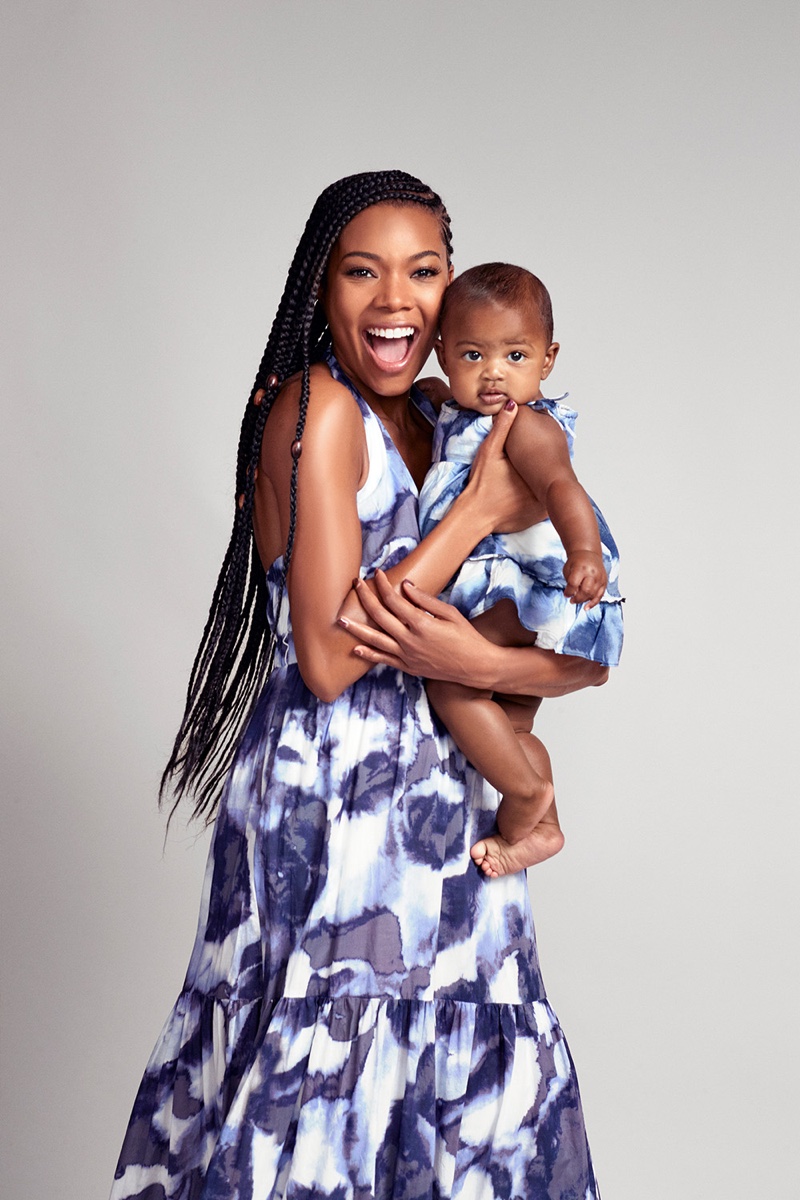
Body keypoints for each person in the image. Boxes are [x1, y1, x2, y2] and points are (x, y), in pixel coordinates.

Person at [110, 172, 606, 1200]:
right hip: (329, 797)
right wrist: (469, 519)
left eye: (422, 272)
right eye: (362, 270)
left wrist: (478, 666)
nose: (394, 299)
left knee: (458, 1089)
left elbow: (572, 651)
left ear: (451, 291)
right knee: (318, 1079)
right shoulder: (315, 410)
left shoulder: (449, 414)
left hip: (442, 799)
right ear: (321, 287)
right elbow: (331, 661)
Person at [417, 263, 624, 880]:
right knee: (504, 729)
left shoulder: (528, 427)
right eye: (473, 354)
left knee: (451, 684)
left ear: (548, 358)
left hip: (520, 593)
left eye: (515, 354)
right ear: (443, 355)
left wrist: (584, 552)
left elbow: (563, 486)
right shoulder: (452, 407)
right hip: (515, 601)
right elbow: (428, 397)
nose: (494, 373)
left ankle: (527, 797)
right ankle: (546, 823)